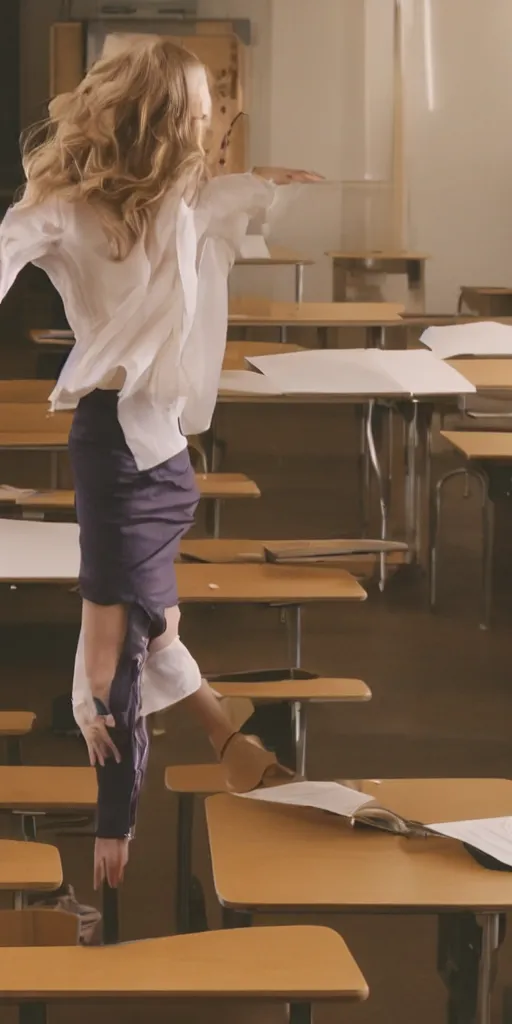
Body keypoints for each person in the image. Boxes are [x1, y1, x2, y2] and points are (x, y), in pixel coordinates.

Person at [0, 36, 322, 890]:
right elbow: (15, 241)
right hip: (116, 451)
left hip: (166, 457)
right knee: (119, 650)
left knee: (147, 636)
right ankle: (133, 819)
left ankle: (215, 746)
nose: (212, 133)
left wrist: (257, 186)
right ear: (156, 119)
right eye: (200, 118)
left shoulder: (177, 199)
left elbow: (211, 204)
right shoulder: (65, 209)